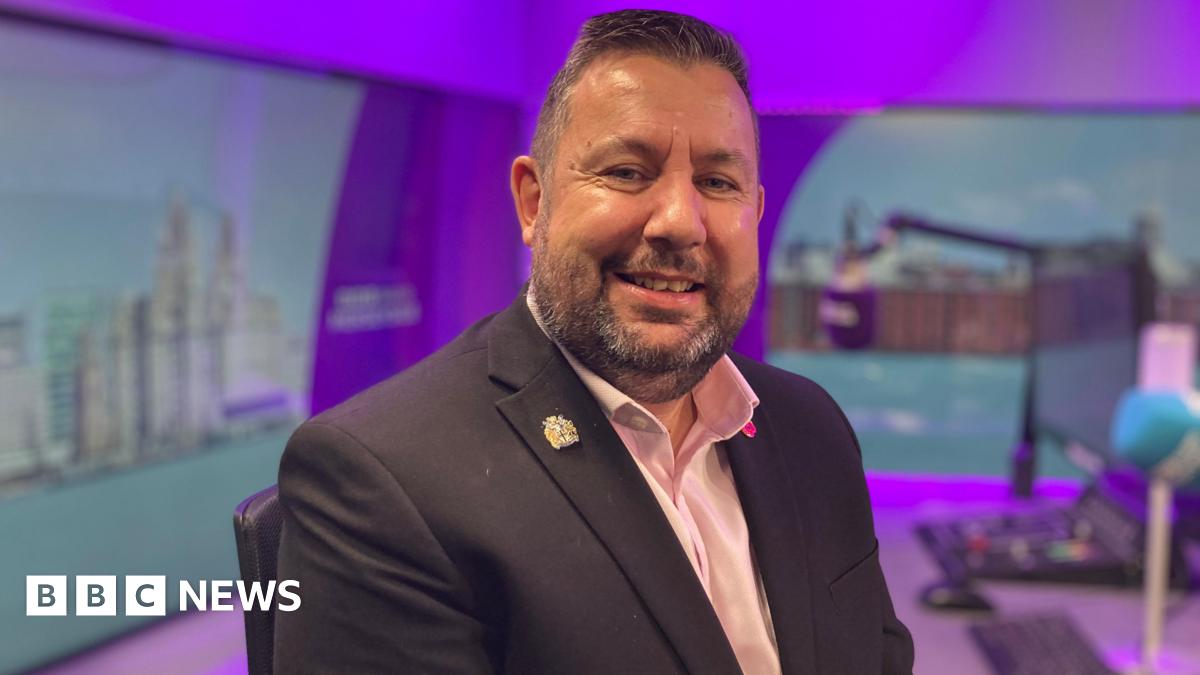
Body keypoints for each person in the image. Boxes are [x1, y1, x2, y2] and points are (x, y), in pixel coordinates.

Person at [274, 9, 914, 674]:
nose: (679, 223)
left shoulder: (810, 427)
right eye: (628, 171)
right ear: (533, 202)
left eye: (717, 183)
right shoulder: (383, 478)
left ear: (753, 208)